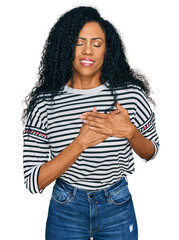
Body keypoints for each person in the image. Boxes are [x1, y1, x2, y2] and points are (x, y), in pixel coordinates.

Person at [23, 6, 159, 240]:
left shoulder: (130, 96)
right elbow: (34, 181)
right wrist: (80, 143)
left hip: (116, 203)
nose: (88, 51)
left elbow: (151, 151)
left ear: (107, 50)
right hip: (66, 206)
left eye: (97, 44)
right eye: (79, 42)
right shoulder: (44, 103)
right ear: (65, 47)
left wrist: (130, 132)